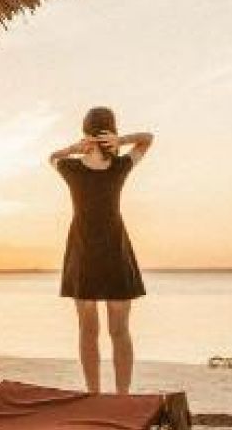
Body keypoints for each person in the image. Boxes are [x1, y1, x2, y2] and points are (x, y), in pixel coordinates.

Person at [48, 108, 154, 395]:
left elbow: (52, 157)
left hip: (88, 251)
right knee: (116, 331)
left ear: (85, 132)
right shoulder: (119, 165)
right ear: (111, 131)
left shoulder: (71, 167)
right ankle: (119, 397)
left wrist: (73, 148)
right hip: (108, 251)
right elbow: (147, 139)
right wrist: (122, 141)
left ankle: (96, 394)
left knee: (91, 331)